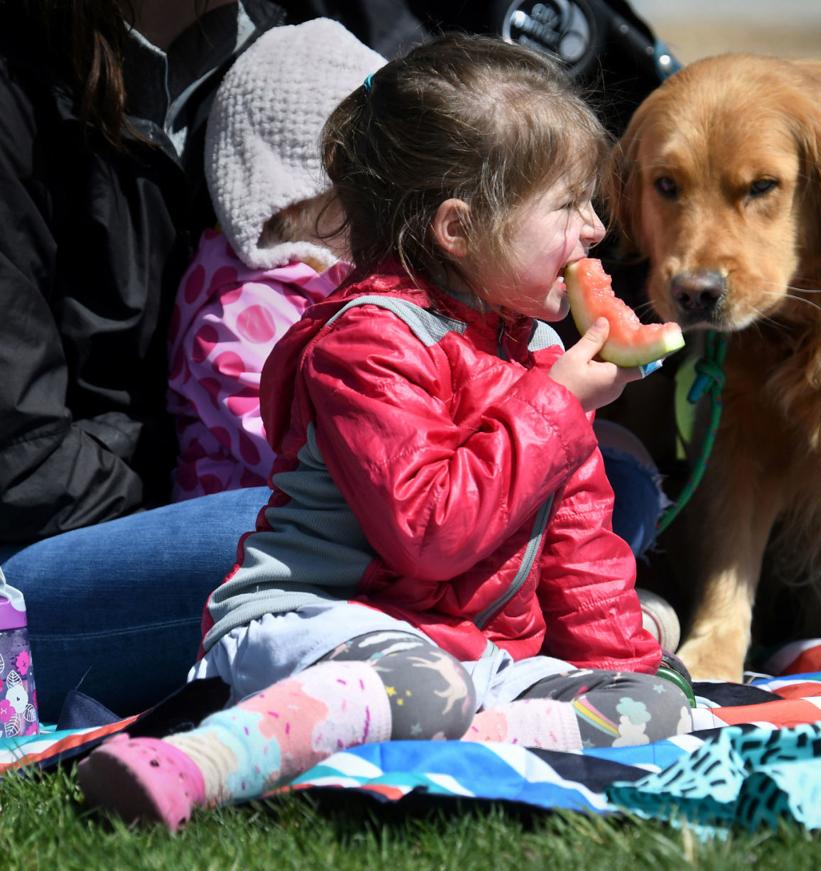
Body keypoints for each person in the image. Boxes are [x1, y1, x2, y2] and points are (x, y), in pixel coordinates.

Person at [76, 34, 692, 832]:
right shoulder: (368, 342)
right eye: (568, 205)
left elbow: (578, 552)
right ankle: (203, 759)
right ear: (458, 228)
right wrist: (557, 409)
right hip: (319, 621)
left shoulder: (539, 353)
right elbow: (430, 532)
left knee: (655, 704)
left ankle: (442, 744)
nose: (596, 231)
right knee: (423, 684)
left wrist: (627, 669)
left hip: (465, 655)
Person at [0, 0, 291, 720]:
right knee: (294, 528)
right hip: (38, 547)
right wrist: (191, 490)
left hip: (178, 501)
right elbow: (21, 458)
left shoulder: (277, 64)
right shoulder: (17, 85)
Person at [167, 19, 383, 500]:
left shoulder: (347, 287)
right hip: (241, 540)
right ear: (295, 197)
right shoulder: (234, 317)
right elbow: (290, 454)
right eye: (371, 197)